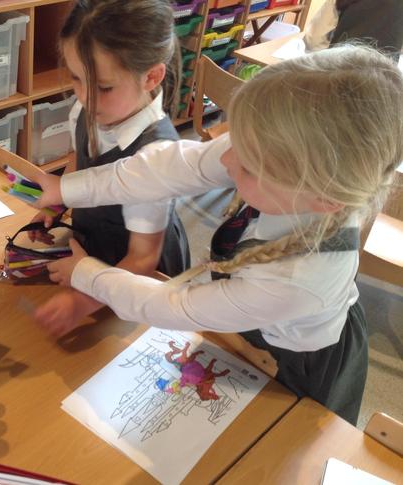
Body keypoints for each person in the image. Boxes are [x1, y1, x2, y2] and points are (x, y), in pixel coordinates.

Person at [31, 45, 403, 425]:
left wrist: (87, 274)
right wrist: (66, 189)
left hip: (294, 360)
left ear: (323, 199)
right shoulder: (280, 160)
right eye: (233, 143)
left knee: (270, 436)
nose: (226, 160)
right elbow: (175, 166)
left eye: (247, 166)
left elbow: (172, 306)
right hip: (248, 318)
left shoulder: (297, 281)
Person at [28, 0, 189, 329]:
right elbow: (78, 163)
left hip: (134, 274)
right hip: (93, 253)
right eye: (76, 78)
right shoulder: (88, 108)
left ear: (151, 77)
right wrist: (57, 203)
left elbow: (144, 258)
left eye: (104, 87)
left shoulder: (156, 156)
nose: (85, 97)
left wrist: (83, 301)